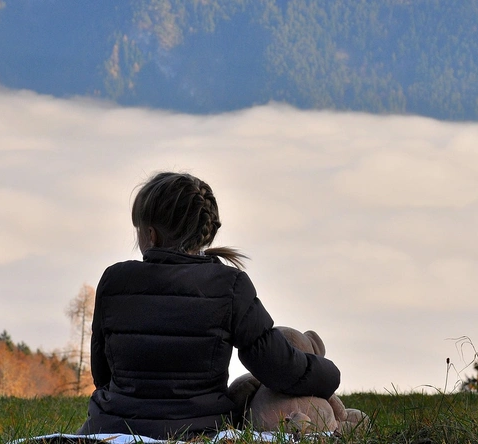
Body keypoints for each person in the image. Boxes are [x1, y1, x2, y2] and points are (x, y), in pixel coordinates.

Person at [77, 171, 340, 439]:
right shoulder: (231, 284)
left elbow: (102, 373)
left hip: (110, 428)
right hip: (199, 430)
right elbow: (277, 367)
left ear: (151, 235)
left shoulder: (114, 280)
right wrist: (329, 374)